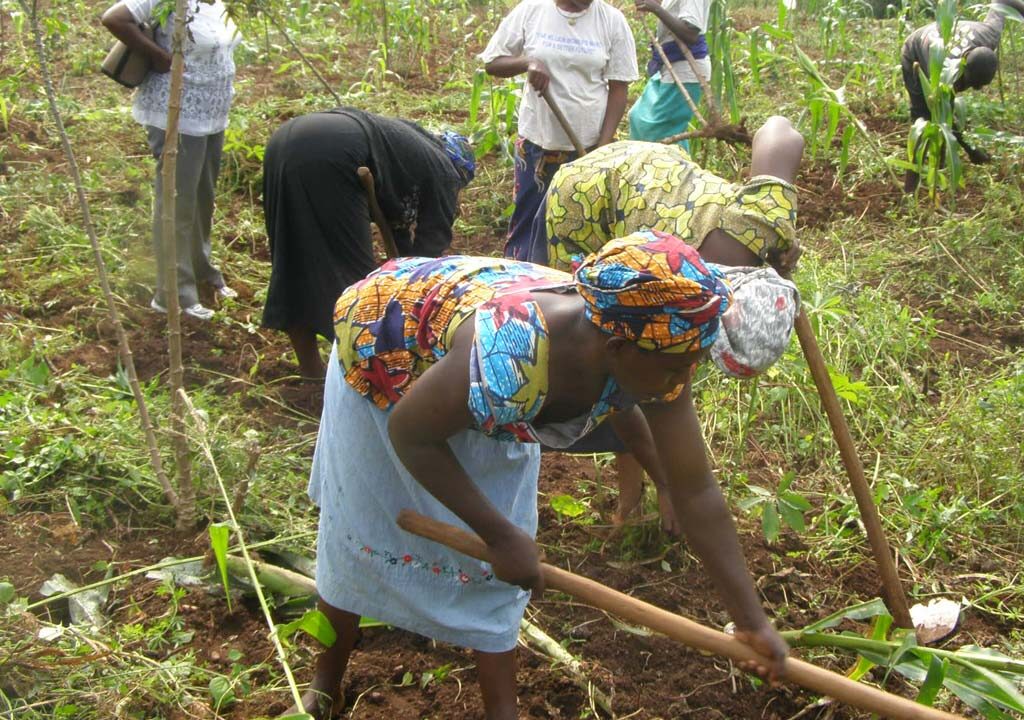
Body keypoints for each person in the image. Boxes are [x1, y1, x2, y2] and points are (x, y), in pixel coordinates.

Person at [289, 233, 788, 719]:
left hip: (475, 379)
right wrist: (500, 534)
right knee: (361, 529)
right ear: (617, 350)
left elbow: (697, 490)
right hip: (386, 353)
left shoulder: (656, 349)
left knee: (500, 563)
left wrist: (753, 623)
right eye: (678, 370)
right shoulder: (513, 354)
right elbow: (412, 434)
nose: (682, 382)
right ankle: (326, 683)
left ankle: (502, 711)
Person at [525, 116, 804, 531]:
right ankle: (631, 503)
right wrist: (671, 482)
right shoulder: (668, 294)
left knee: (658, 373)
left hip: (655, 176)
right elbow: (622, 373)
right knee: (615, 360)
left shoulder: (765, 217)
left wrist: (780, 245)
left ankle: (652, 492)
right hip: (584, 197)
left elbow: (782, 130)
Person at [260, 108, 475, 378]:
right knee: (352, 282)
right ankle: (359, 375)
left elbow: (399, 230)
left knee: (291, 258)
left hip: (285, 142)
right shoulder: (445, 171)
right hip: (333, 153)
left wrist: (399, 269)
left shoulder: (411, 151)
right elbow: (428, 250)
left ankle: (311, 369)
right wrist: (405, 291)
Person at [102, 0, 241, 320]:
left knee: (202, 198)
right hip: (176, 113)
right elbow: (114, 18)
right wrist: (159, 55)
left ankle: (201, 270)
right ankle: (173, 293)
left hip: (212, 114)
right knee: (176, 202)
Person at [479, 0, 639, 261]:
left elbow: (619, 88)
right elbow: (493, 63)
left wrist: (601, 148)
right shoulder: (532, 10)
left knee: (578, 227)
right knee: (528, 221)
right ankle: (520, 283)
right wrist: (528, 62)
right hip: (537, 146)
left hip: (586, 150)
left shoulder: (612, 20)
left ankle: (567, 288)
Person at [901, 0, 1024, 192]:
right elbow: (947, 116)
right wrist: (972, 151)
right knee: (922, 116)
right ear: (964, 64)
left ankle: (939, 166)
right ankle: (910, 187)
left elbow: (1002, 2)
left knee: (939, 115)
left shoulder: (990, 34)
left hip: (942, 40)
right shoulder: (946, 69)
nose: (975, 90)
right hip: (915, 52)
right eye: (970, 83)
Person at [628, 0, 712, 150]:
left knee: (659, 131)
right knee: (638, 117)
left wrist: (655, 8)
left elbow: (690, 32)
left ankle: (673, 170)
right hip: (667, 65)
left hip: (685, 68)